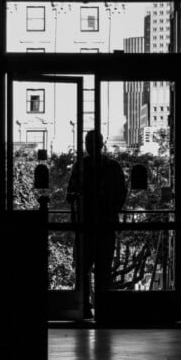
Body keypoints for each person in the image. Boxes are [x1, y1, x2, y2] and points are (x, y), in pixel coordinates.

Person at [66, 130, 127, 314]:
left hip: (85, 225)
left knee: (83, 269)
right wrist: (110, 210)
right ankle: (103, 309)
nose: (89, 146)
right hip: (105, 224)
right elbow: (121, 194)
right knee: (103, 269)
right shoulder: (113, 166)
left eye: (89, 142)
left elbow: (70, 194)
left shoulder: (80, 166)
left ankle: (84, 307)